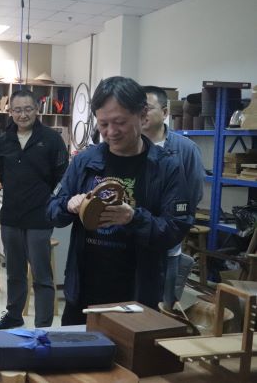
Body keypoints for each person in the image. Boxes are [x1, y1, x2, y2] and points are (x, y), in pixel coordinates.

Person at [47, 76, 193, 326]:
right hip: (83, 291)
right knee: (75, 347)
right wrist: (68, 205)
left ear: (142, 115)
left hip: (138, 295)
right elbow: (51, 210)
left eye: (120, 122)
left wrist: (133, 218)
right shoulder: (85, 161)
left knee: (129, 351)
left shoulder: (166, 168)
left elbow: (175, 230)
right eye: (103, 124)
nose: (111, 132)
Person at [0, 89, 68, 330]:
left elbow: (62, 175)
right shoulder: (5, 140)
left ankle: (42, 326)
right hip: (11, 214)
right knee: (14, 272)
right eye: (17, 110)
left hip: (40, 216)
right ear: (10, 111)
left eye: (28, 109)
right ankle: (13, 316)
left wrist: (49, 199)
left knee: (41, 274)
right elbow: (3, 174)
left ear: (36, 109)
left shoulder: (51, 139)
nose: (22, 115)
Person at [142, 85, 204, 310]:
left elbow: (194, 193)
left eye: (147, 108)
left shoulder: (185, 149)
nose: (142, 114)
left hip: (168, 242)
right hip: (135, 240)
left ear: (165, 112)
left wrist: (176, 225)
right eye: (137, 108)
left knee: (163, 307)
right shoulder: (129, 146)